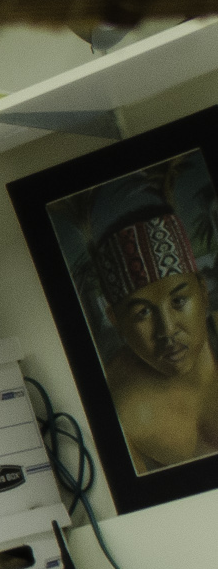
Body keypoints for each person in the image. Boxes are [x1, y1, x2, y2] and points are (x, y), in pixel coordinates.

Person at [90, 186, 218, 472]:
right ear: (115, 318)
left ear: (203, 291)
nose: (167, 329)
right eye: (142, 312)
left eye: (179, 300)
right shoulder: (112, 401)